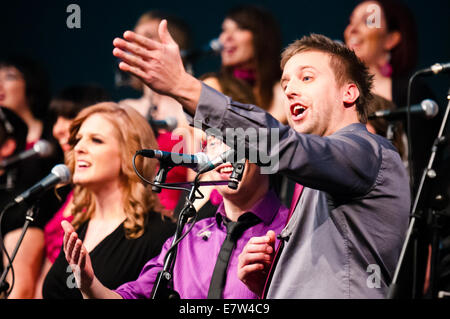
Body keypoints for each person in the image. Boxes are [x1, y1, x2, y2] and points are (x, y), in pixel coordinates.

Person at [112, 20, 411, 298]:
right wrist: (268, 284)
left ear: (349, 93)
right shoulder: (319, 177)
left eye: (306, 77)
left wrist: (183, 86)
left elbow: (282, 146)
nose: (291, 90)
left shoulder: (367, 150)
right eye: (285, 85)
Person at [59, 134, 288, 299]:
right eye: (214, 142)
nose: (224, 153)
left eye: (236, 140)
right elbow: (135, 296)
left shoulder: (293, 229)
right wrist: (89, 285)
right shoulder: (187, 237)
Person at [41, 102, 176, 299]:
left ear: (130, 154)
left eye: (96, 140)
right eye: (78, 139)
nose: (78, 148)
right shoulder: (78, 226)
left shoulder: (161, 235)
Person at [343, 0, 438, 190]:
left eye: (368, 21)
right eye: (351, 21)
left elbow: (424, 164)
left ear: (391, 39)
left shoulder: (412, 91)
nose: (352, 29)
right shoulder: (333, 91)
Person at [33, 84, 110, 298]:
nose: (58, 128)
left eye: (68, 117)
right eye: (55, 119)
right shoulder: (68, 189)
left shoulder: (102, 196)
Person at [119, 11, 196, 214]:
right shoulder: (125, 108)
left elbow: (197, 179)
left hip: (172, 218)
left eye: (150, 36)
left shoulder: (191, 108)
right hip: (124, 215)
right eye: (135, 36)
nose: (138, 43)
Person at [0, 56, 63, 298]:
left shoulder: (55, 136)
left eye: (9, 77)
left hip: (34, 233)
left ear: (31, 84)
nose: (0, 86)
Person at [202, 5, 286, 124]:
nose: (227, 37)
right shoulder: (214, 86)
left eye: (239, 29)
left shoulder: (281, 89)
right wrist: (279, 115)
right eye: (224, 30)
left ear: (262, 37)